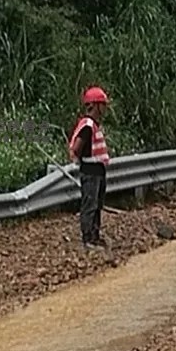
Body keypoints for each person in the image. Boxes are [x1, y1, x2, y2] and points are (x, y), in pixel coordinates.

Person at [68, 85, 111, 250]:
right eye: (103, 105)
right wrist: (77, 158)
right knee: (90, 205)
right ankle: (88, 239)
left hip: (98, 170)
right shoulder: (87, 125)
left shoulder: (93, 124)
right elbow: (77, 147)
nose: (104, 109)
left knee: (97, 205)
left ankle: (95, 236)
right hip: (90, 171)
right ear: (96, 105)